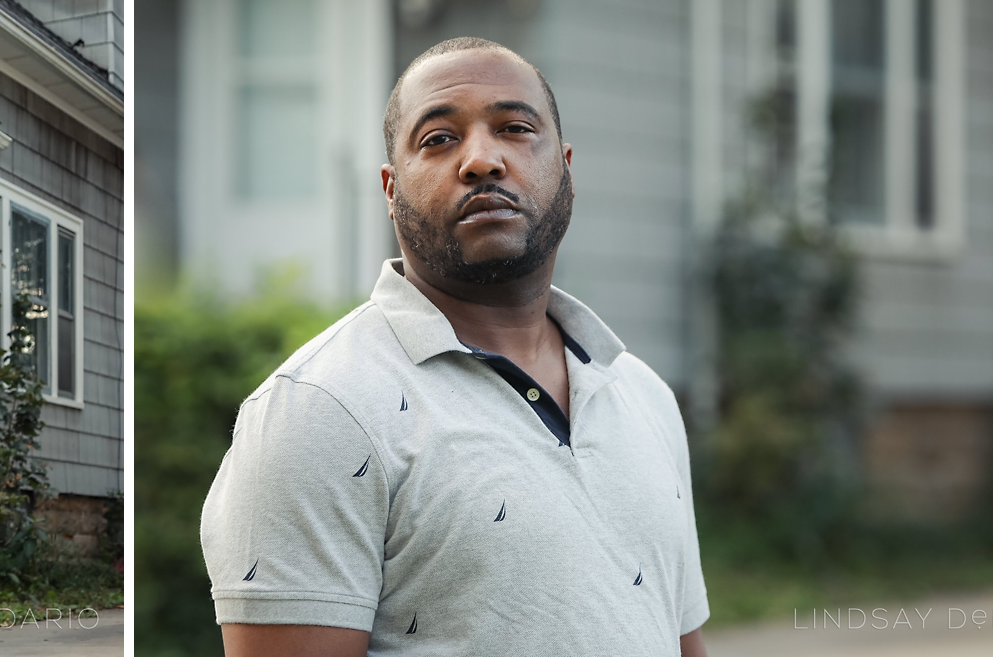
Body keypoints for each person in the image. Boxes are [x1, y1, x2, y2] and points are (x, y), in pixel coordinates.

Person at [200, 38, 710, 656]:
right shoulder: (318, 411)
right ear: (390, 190)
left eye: (516, 128)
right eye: (439, 138)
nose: (481, 160)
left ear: (567, 169)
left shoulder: (643, 395)